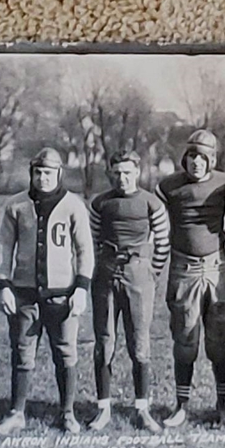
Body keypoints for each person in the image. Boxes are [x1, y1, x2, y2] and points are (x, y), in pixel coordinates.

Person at [0, 149, 96, 434]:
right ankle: (16, 412)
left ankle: (67, 412)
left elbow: (85, 249)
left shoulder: (73, 205)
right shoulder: (16, 205)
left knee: (65, 352)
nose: (43, 177)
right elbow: (3, 248)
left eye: (48, 172)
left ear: (59, 173)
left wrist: (81, 289)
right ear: (31, 173)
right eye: (38, 172)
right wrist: (3, 285)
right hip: (24, 292)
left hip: (61, 293)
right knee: (22, 352)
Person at [157, 130, 225, 428]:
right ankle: (181, 405)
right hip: (183, 268)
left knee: (219, 342)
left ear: (212, 159)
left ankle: (223, 405)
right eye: (192, 155)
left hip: (217, 268)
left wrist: (224, 235)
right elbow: (154, 220)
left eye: (202, 157)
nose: (196, 162)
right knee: (185, 340)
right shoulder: (168, 186)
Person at [88, 152, 170, 431]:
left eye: (127, 172)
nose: (122, 178)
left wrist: (150, 273)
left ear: (137, 172)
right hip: (106, 273)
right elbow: (93, 240)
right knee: (105, 341)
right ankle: (103, 409)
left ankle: (142, 409)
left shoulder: (152, 203)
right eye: (117, 173)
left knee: (140, 344)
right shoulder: (101, 203)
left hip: (139, 274)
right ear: (110, 173)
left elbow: (163, 243)